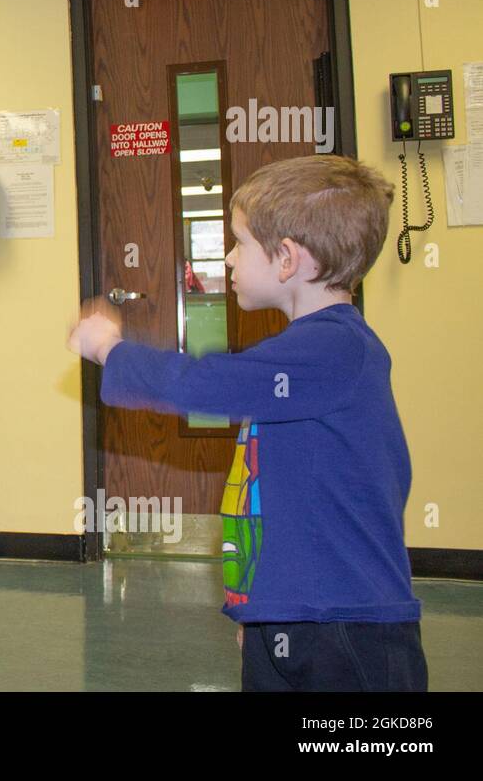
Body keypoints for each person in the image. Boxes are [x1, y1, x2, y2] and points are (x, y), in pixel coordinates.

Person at [70, 155, 427, 691]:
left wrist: (112, 351)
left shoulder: (336, 350)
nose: (230, 259)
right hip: (290, 615)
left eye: (239, 243)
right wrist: (260, 610)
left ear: (287, 259)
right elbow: (282, 498)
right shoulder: (302, 355)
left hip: (348, 630)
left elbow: (208, 383)